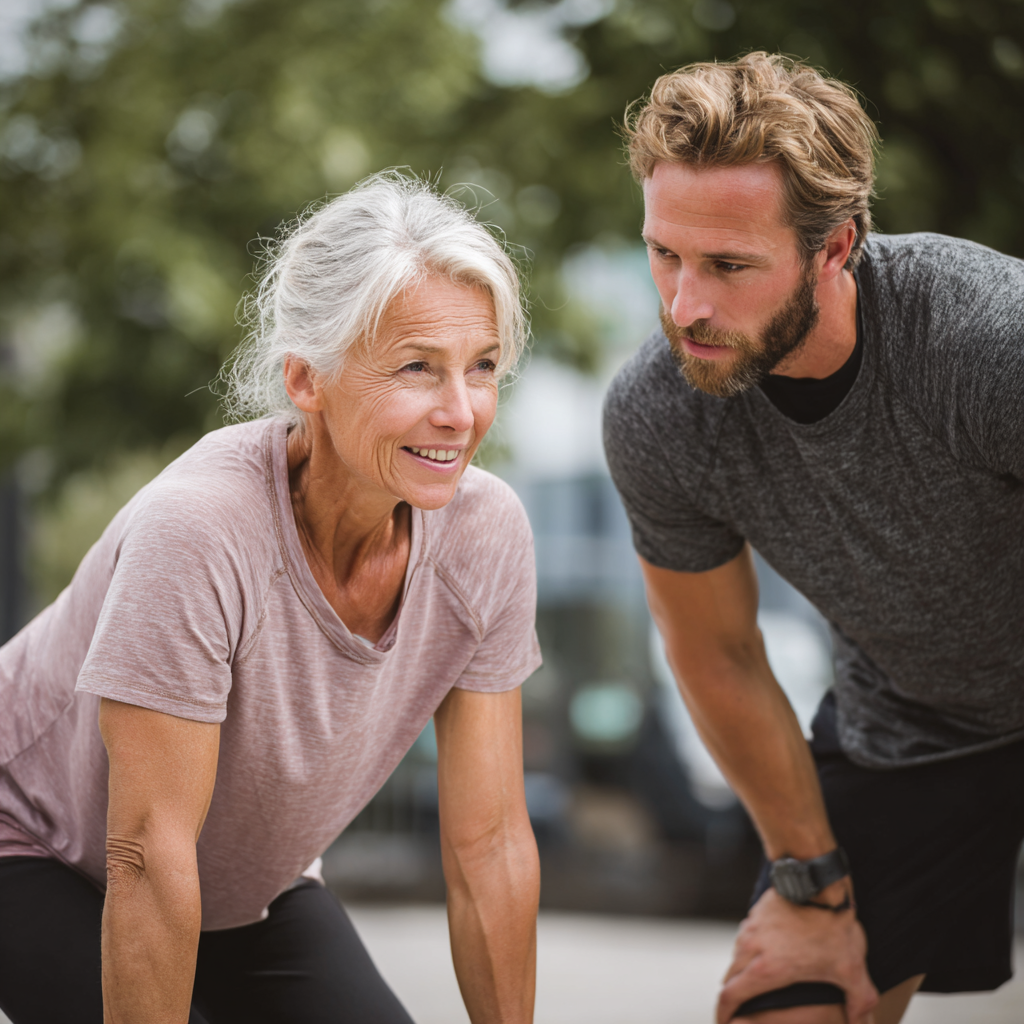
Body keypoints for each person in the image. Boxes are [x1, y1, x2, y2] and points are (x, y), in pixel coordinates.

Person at [0, 171, 542, 1024]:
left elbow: (491, 843)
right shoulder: (203, 529)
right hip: (30, 844)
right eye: (416, 368)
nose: (460, 411)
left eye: (481, 368)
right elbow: (146, 855)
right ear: (306, 380)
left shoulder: (485, 535)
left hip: (244, 887)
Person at [603, 53, 1024, 1024]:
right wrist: (812, 887)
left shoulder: (987, 340)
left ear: (836, 248)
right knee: (786, 1002)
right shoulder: (661, 413)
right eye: (664, 254)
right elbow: (717, 654)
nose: (684, 306)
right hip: (913, 725)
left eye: (728, 265)